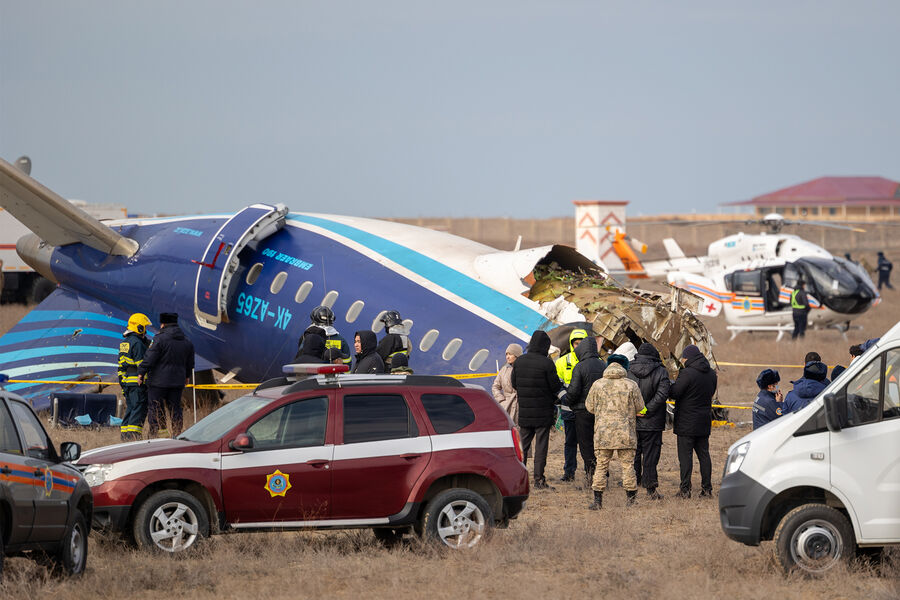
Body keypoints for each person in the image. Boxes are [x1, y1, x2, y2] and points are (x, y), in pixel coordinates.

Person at [584, 354, 645, 510]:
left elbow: (589, 407)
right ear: (624, 367)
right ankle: (631, 501)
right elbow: (640, 407)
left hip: (603, 433)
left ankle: (598, 501)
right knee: (627, 466)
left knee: (601, 465)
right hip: (626, 433)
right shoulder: (631, 385)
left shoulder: (597, 385)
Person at [511, 330, 564, 490]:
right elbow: (555, 386)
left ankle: (519, 479)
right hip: (543, 412)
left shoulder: (519, 361)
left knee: (523, 447)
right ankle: (539, 479)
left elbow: (514, 384)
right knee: (541, 446)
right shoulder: (547, 363)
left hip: (525, 412)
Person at [670, 345, 717, 499]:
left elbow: (675, 393)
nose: (682, 361)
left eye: (683, 358)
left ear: (688, 358)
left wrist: (671, 384)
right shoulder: (711, 374)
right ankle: (707, 489)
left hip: (686, 422)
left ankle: (685, 490)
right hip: (703, 420)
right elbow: (710, 393)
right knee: (704, 455)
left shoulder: (687, 373)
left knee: (685, 457)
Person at [138, 312, 195, 438]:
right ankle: (177, 433)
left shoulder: (159, 339)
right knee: (175, 409)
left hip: (158, 382)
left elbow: (149, 358)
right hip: (177, 382)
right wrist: (186, 376)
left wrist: (141, 372)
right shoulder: (186, 341)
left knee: (155, 408)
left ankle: (155, 435)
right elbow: (190, 363)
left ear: (162, 324)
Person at [561, 336, 606, 487]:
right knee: (600, 445)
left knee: (586, 445)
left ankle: (591, 477)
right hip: (601, 412)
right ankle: (603, 474)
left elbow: (573, 392)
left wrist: (566, 400)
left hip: (582, 412)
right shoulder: (603, 365)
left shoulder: (579, 367)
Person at [628, 342, 671, 500]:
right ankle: (650, 488)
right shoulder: (661, 371)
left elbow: (625, 392)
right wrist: (646, 410)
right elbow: (662, 394)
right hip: (653, 422)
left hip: (632, 420)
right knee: (651, 455)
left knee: (634, 453)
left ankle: (633, 484)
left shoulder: (628, 369)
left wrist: (635, 410)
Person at [554, 328, 588, 482]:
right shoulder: (561, 362)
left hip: (587, 411)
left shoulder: (595, 362)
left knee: (588, 443)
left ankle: (591, 471)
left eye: (581, 343)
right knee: (570, 443)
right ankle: (569, 472)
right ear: (571, 344)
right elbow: (556, 384)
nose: (578, 346)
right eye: (576, 343)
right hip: (568, 410)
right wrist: (564, 398)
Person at [117, 313, 152, 441]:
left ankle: (125, 436)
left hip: (127, 382)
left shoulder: (125, 343)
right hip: (138, 383)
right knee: (139, 410)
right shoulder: (138, 344)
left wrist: (123, 385)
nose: (146, 331)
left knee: (130, 409)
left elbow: (120, 366)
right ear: (139, 328)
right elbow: (142, 365)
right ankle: (133, 437)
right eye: (144, 327)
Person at [492, 343, 523, 426]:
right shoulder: (504, 370)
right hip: (507, 406)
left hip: (522, 407)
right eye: (506, 354)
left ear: (517, 355)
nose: (507, 357)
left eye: (510, 354)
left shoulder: (524, 369)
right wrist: (501, 400)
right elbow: (495, 386)